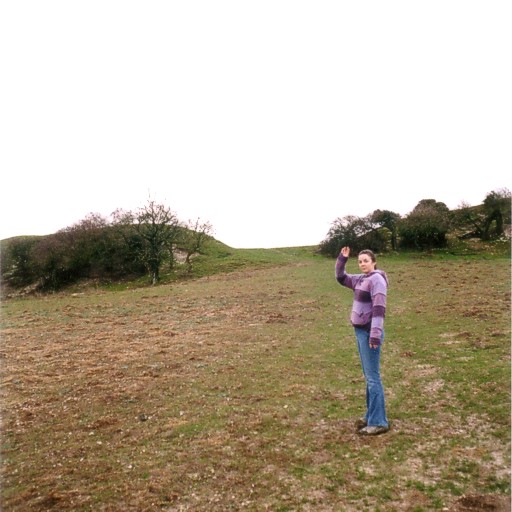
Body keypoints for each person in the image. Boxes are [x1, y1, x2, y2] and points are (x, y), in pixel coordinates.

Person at [335, 246, 389, 435]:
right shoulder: (361, 279)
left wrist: (374, 335)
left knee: (373, 378)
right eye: (360, 261)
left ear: (373, 262)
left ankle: (379, 422)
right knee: (369, 377)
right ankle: (370, 415)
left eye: (366, 260)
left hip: (369, 333)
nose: (362, 264)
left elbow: (379, 310)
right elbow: (341, 278)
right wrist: (342, 259)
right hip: (360, 332)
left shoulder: (377, 280)